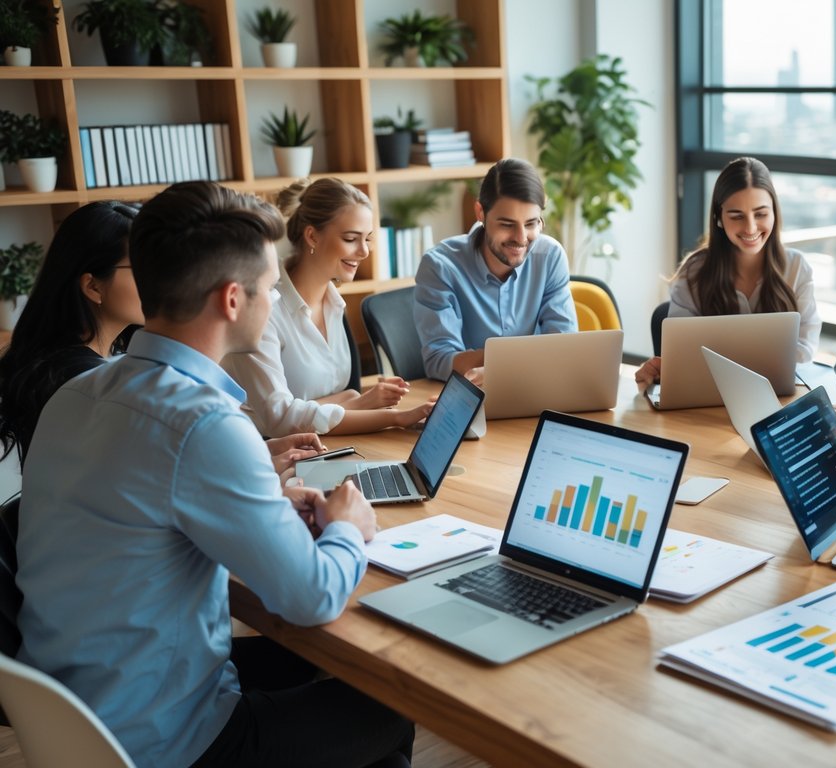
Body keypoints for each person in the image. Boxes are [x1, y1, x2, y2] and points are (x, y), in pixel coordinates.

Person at [18, 181, 415, 768]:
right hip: (173, 741)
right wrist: (350, 527)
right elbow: (311, 597)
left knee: (320, 669)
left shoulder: (77, 393)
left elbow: (147, 514)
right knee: (391, 704)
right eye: (270, 288)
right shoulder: (205, 424)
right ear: (234, 299)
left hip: (76, 716)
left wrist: (269, 501)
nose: (275, 299)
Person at [222, 177, 433, 437]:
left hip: (326, 444)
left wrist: (354, 401)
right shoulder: (264, 310)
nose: (364, 251)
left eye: (368, 238)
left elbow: (332, 399)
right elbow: (280, 420)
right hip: (271, 455)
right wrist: (387, 414)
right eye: (351, 238)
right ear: (312, 236)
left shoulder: (334, 303)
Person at [634, 157, 821, 386]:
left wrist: (728, 363)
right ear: (719, 218)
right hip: (709, 395)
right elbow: (682, 353)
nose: (750, 228)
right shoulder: (695, 272)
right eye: (737, 216)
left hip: (778, 396)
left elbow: (805, 351)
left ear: (774, 213)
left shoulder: (797, 267)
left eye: (761, 214)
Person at [0, 201, 143, 467]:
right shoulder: (82, 381)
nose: (159, 281)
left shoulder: (63, 361)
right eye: (142, 269)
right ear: (93, 286)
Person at [414, 158, 577, 382]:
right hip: (472, 397)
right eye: (507, 224)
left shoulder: (550, 257)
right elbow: (439, 360)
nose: (521, 239)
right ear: (480, 212)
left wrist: (505, 367)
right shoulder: (440, 266)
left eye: (531, 223)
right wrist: (522, 363)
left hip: (535, 390)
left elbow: (564, 348)